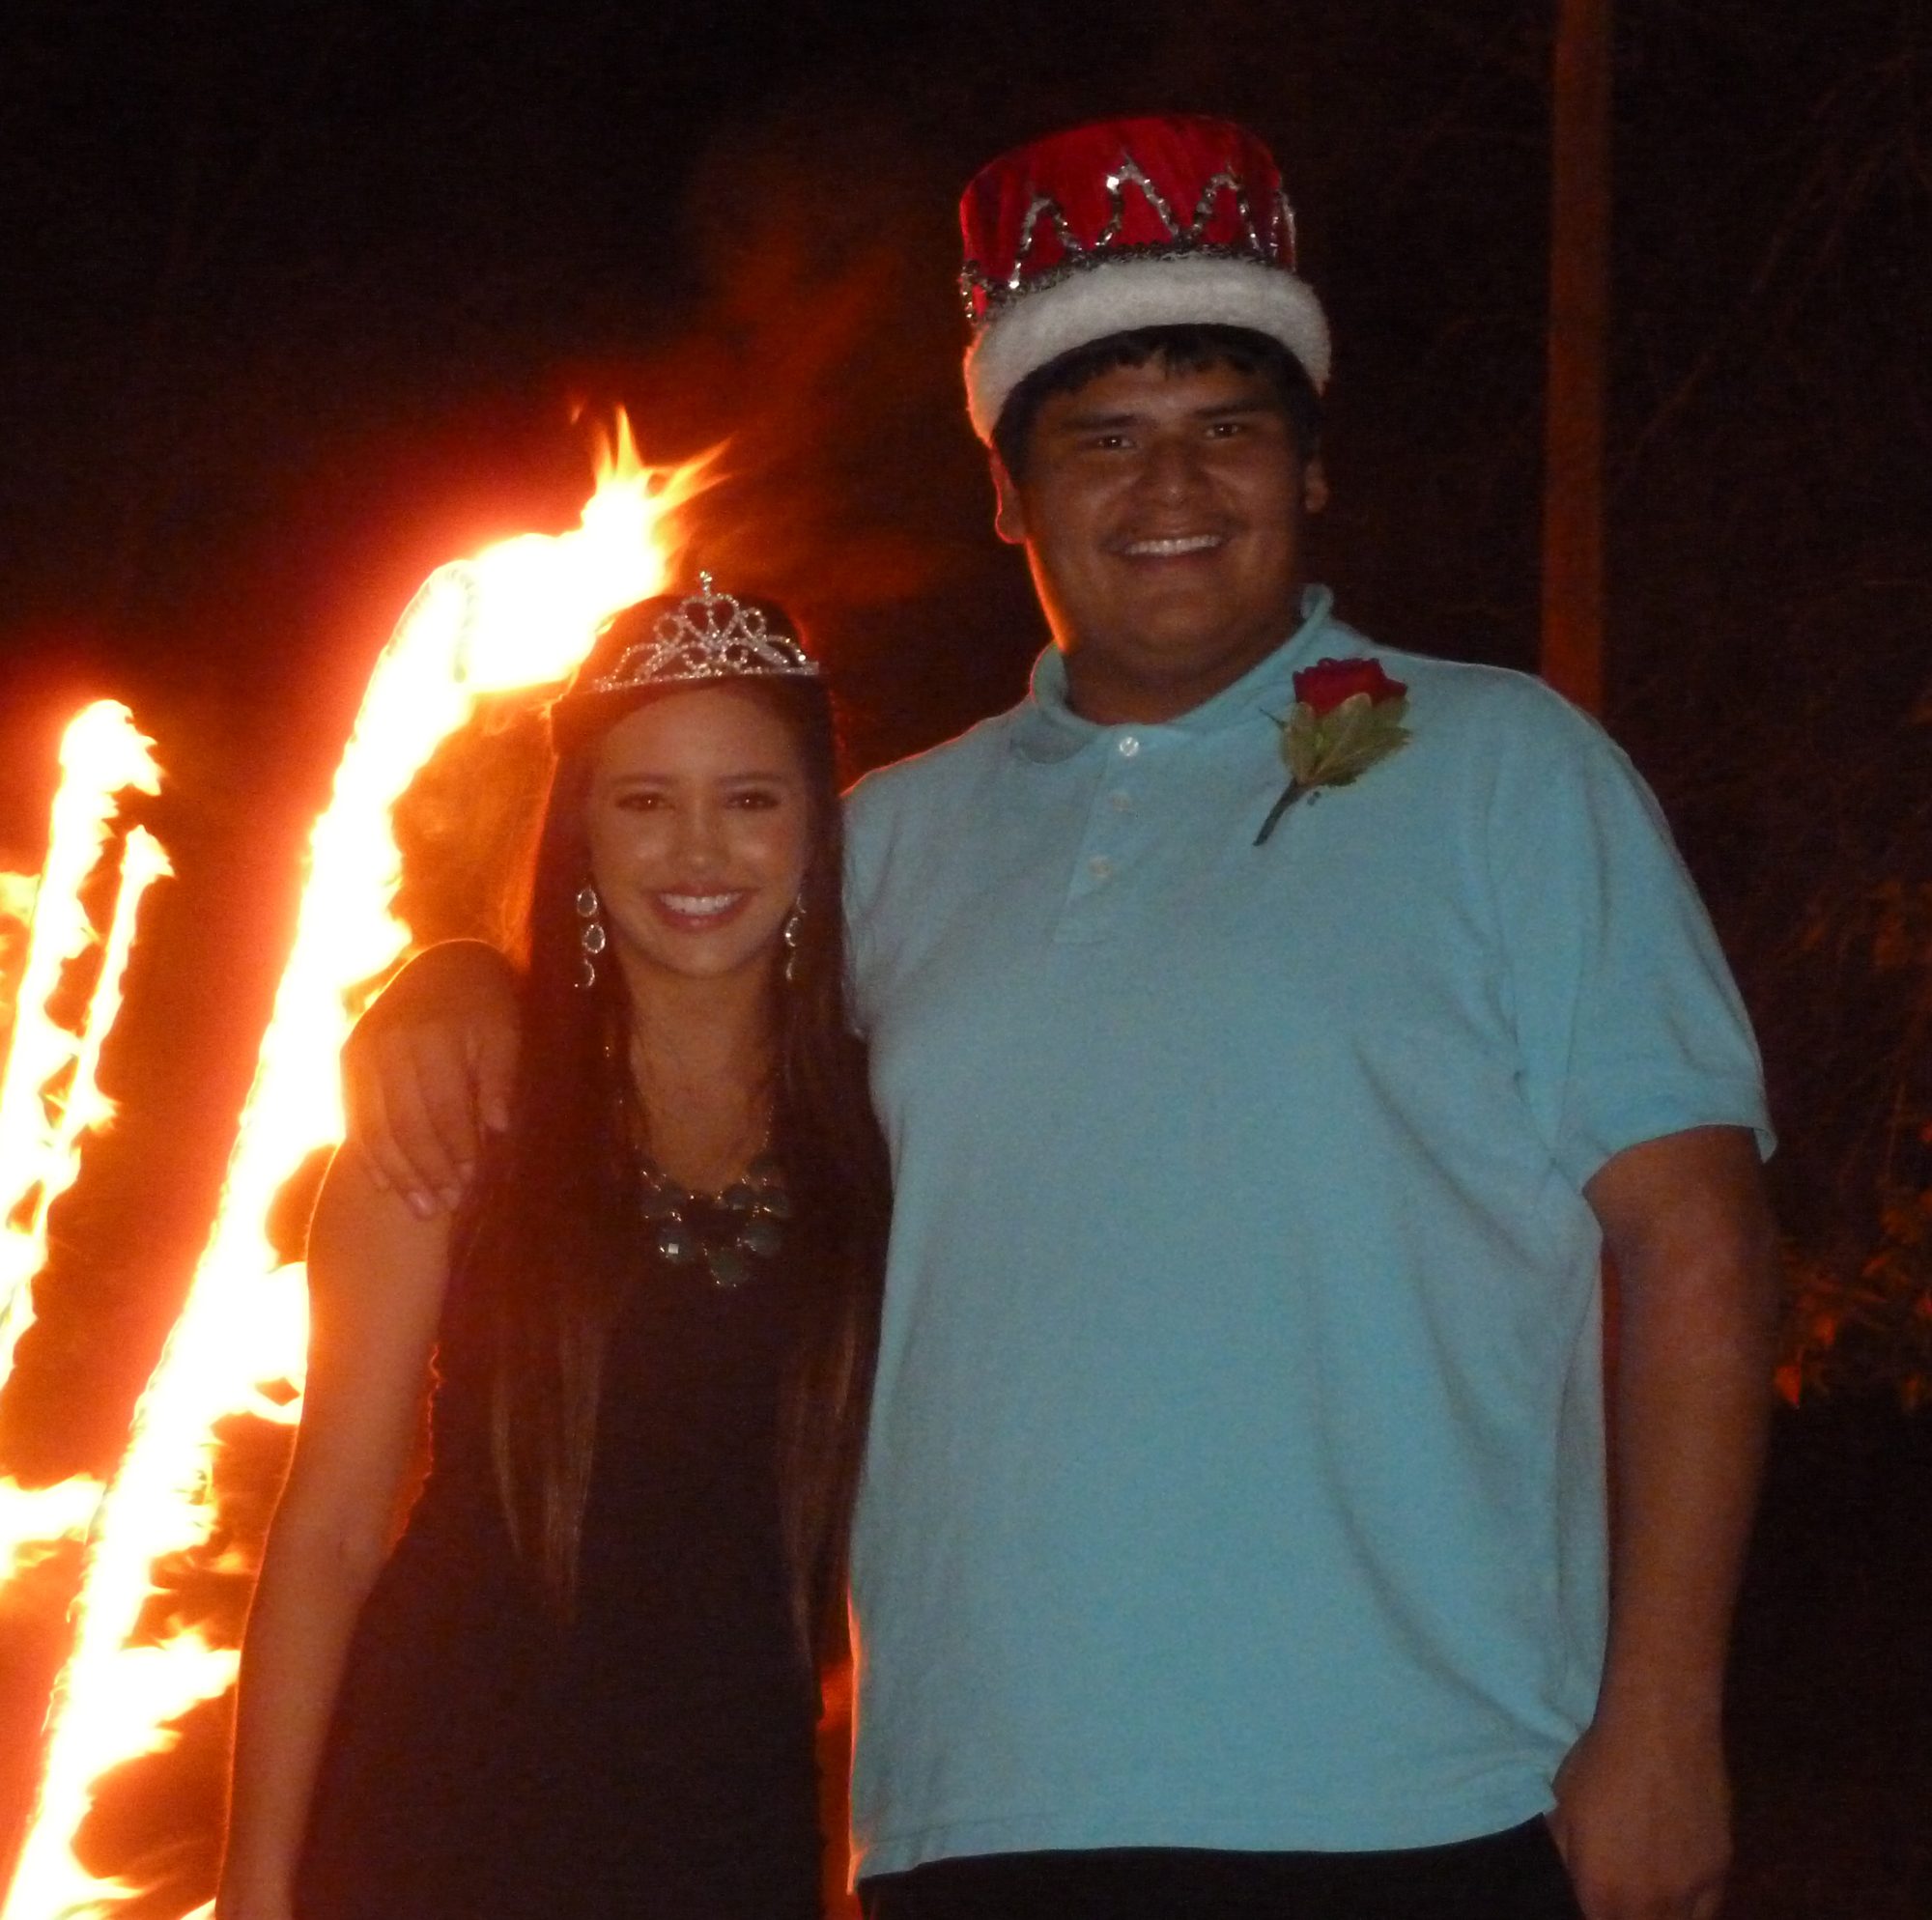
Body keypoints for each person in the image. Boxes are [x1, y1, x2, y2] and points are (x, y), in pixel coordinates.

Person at [344, 116, 1778, 1920]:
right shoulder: (885, 843)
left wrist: (1661, 1711)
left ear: (1311, 468)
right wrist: (448, 974)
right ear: (1010, 494)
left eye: (1228, 427)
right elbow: (638, 989)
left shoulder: (1504, 768)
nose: (1169, 486)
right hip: (979, 1816)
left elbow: (1698, 1245)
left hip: (1424, 1795)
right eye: (1101, 439)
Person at [216, 579, 890, 1920]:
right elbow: (333, 1528)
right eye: (644, 800)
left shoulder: (887, 1124)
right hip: (439, 1802)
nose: (697, 848)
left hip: (729, 1817)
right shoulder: (468, 1106)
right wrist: (255, 1884)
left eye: (748, 797)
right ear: (580, 829)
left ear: (817, 828)